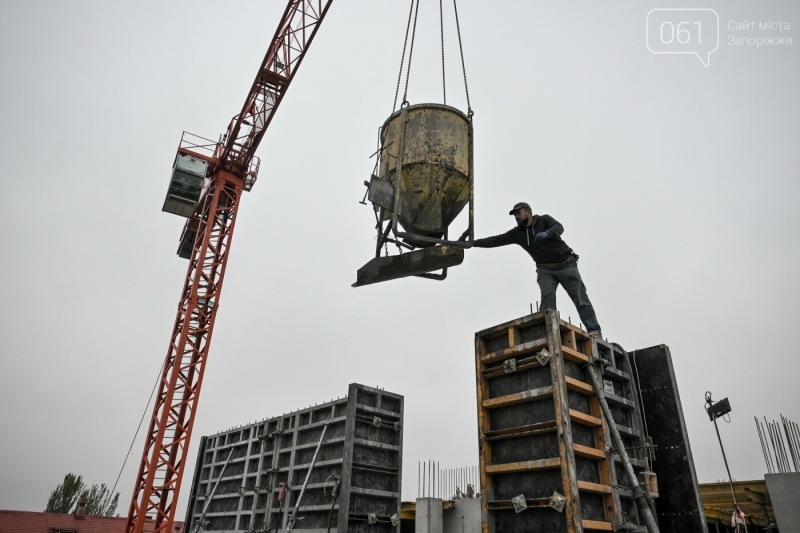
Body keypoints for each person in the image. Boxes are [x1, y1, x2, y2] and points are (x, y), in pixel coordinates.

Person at [472, 202, 602, 337]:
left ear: (528, 212)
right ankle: (549, 332)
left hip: (566, 265)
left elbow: (559, 227)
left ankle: (594, 330)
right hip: (545, 270)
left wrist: (548, 233)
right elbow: (496, 240)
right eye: (515, 215)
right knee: (547, 301)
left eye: (518, 213)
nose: (516, 217)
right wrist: (474, 243)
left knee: (580, 298)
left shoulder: (544, 220)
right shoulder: (517, 233)